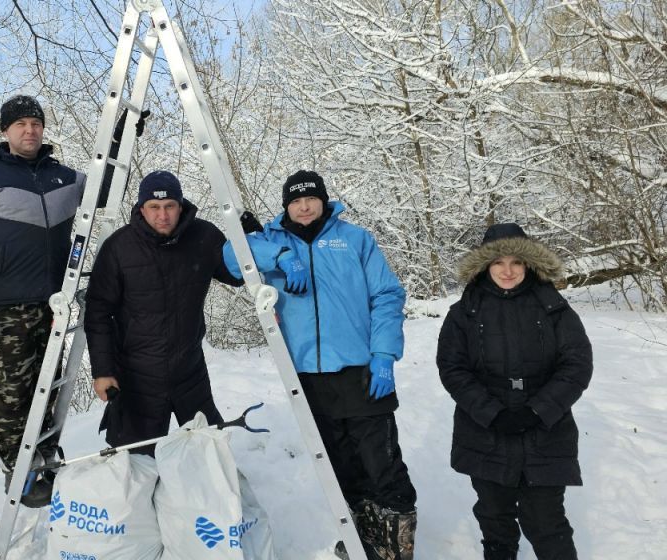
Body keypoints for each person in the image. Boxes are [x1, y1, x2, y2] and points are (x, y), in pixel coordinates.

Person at [0, 95, 144, 506]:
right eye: (21, 124)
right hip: (7, 307)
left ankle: (40, 457)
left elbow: (103, 193)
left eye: (36, 123)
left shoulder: (63, 178)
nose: (30, 130)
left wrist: (118, 145)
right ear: (6, 131)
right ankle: (16, 471)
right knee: (9, 394)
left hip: (54, 304)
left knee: (46, 389)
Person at [223, 170, 417, 560]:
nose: (304, 206)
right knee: (341, 465)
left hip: (361, 372)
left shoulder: (355, 240)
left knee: (382, 465)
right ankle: (367, 544)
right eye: (296, 201)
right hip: (309, 377)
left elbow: (387, 295)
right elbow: (231, 257)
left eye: (310, 198)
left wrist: (383, 354)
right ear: (286, 206)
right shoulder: (273, 240)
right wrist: (280, 257)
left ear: (324, 200)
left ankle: (397, 548)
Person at [437, 223, 592, 560]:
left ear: (528, 264)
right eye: (498, 263)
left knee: (547, 522)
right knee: (495, 520)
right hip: (485, 432)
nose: (507, 271)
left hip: (545, 430)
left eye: (516, 263)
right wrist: (491, 412)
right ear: (484, 266)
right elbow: (453, 368)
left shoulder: (554, 308)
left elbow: (577, 364)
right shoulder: (464, 312)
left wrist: (538, 410)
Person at [84, 170, 247, 450]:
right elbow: (97, 313)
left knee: (208, 449)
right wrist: (103, 371)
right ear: (141, 208)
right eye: (154, 207)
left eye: (170, 206)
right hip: (137, 375)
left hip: (189, 370)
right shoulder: (119, 248)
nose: (163, 215)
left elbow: (238, 275)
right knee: (135, 461)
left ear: (180, 206)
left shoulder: (204, 237)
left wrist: (248, 239)